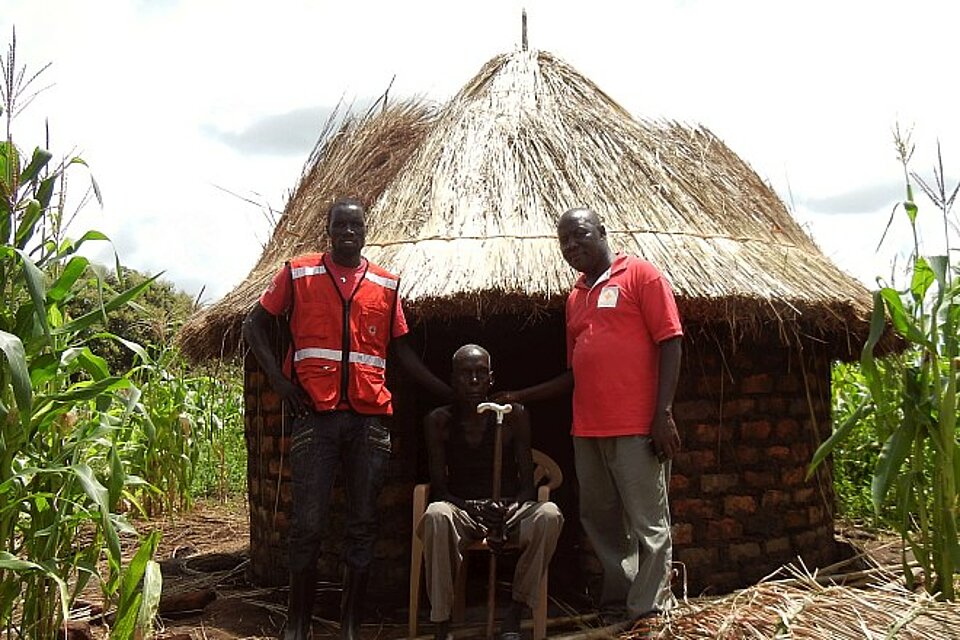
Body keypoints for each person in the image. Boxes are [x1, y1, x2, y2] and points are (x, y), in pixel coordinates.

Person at [242, 197, 451, 640]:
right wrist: (281, 386)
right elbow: (253, 326)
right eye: (340, 225)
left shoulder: (385, 284)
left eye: (356, 225)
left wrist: (448, 391)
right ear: (329, 229)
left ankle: (350, 623)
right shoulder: (298, 273)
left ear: (365, 229)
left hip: (368, 419)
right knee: (309, 524)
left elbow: (403, 352)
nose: (348, 232)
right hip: (315, 417)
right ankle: (298, 623)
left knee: (363, 524)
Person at [498, 206, 682, 623]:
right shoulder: (576, 297)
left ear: (602, 232)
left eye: (580, 235)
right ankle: (617, 603)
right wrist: (522, 394)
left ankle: (649, 609)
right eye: (564, 241)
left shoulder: (641, 276)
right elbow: (575, 372)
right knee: (601, 521)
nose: (572, 246)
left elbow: (671, 341)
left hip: (636, 426)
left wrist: (663, 414)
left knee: (648, 523)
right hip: (588, 429)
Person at [418, 344, 564, 640]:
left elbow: (527, 485)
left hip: (508, 511)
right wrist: (471, 507)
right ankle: (441, 622)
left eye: (481, 374)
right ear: (453, 378)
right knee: (435, 515)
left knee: (549, 515)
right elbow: (440, 490)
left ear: (491, 379)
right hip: (461, 511)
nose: (473, 381)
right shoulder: (439, 421)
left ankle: (515, 612)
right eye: (465, 374)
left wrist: (509, 509)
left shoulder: (513, 416)